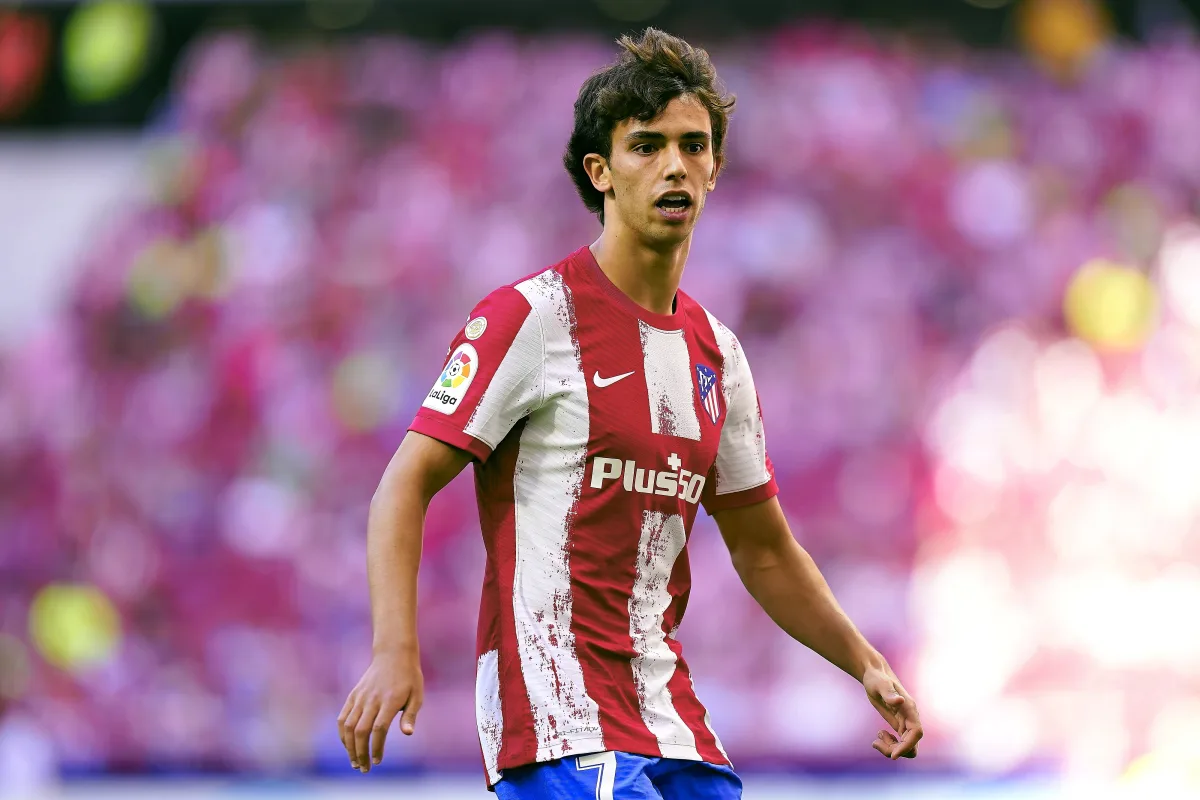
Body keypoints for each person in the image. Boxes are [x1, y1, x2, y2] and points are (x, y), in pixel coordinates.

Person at [337, 27, 922, 799]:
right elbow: (403, 485)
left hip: (674, 723)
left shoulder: (718, 352)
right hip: (556, 719)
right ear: (600, 171)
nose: (674, 164)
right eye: (646, 146)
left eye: (693, 145)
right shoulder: (532, 317)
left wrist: (866, 663)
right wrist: (393, 650)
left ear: (714, 169)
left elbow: (764, 549)